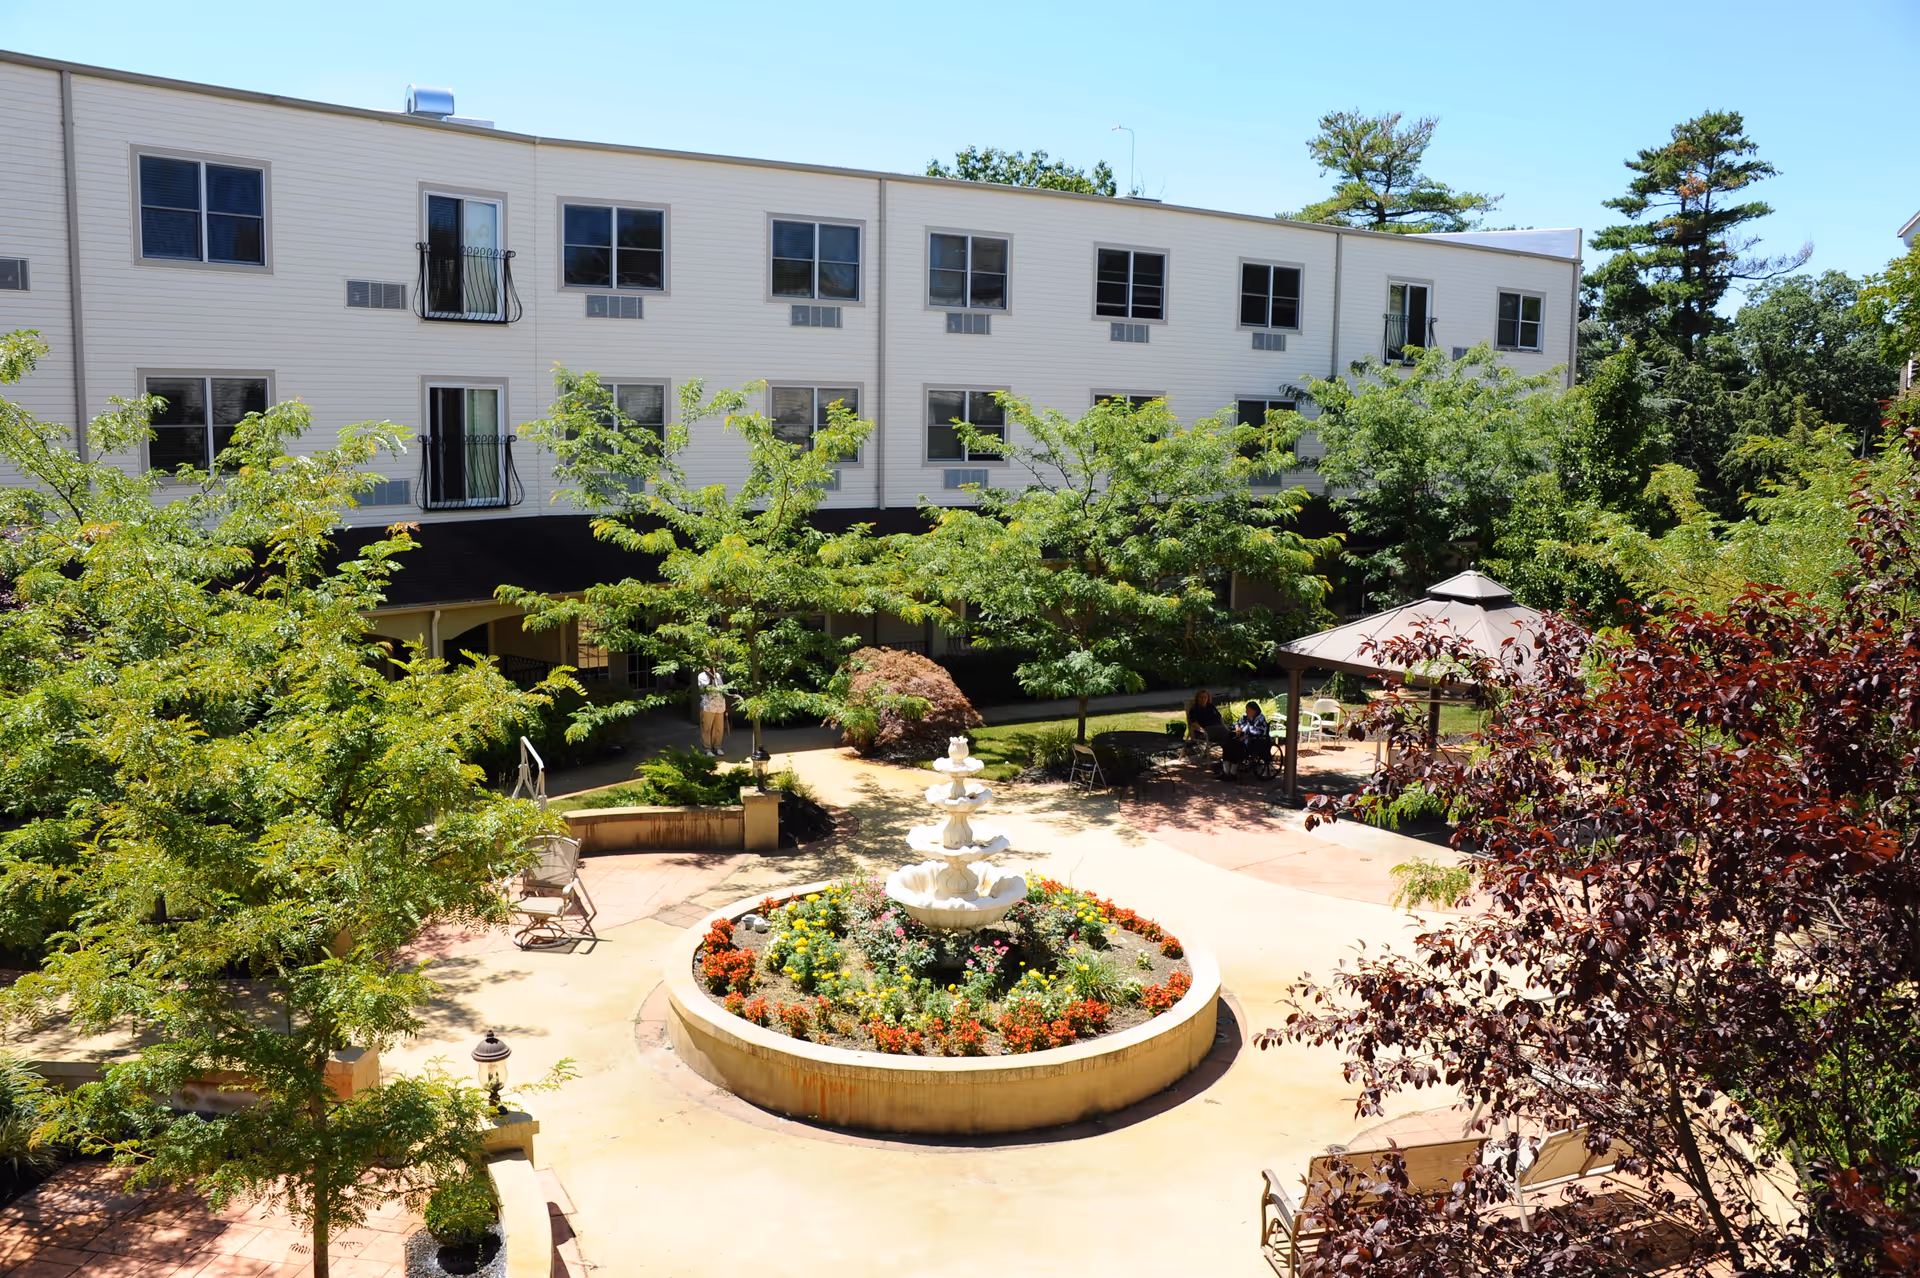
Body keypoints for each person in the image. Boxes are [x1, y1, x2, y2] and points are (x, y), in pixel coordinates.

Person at [697, 668, 729, 755]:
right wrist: (711, 678)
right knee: (706, 728)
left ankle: (717, 747)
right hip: (708, 705)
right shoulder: (701, 676)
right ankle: (707, 749)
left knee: (719, 728)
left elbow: (722, 688)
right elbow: (704, 689)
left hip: (719, 705)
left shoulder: (718, 675)